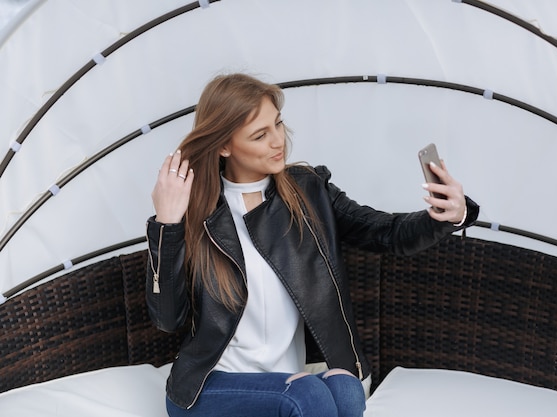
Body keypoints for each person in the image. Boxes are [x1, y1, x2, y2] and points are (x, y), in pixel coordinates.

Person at [146, 73, 479, 417]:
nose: (278, 141)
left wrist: (447, 215)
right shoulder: (194, 212)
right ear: (224, 146)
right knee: (306, 393)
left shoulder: (309, 191)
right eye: (260, 135)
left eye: (277, 124)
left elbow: (387, 232)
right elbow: (167, 319)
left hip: (288, 383)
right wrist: (166, 225)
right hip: (213, 389)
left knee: (346, 388)